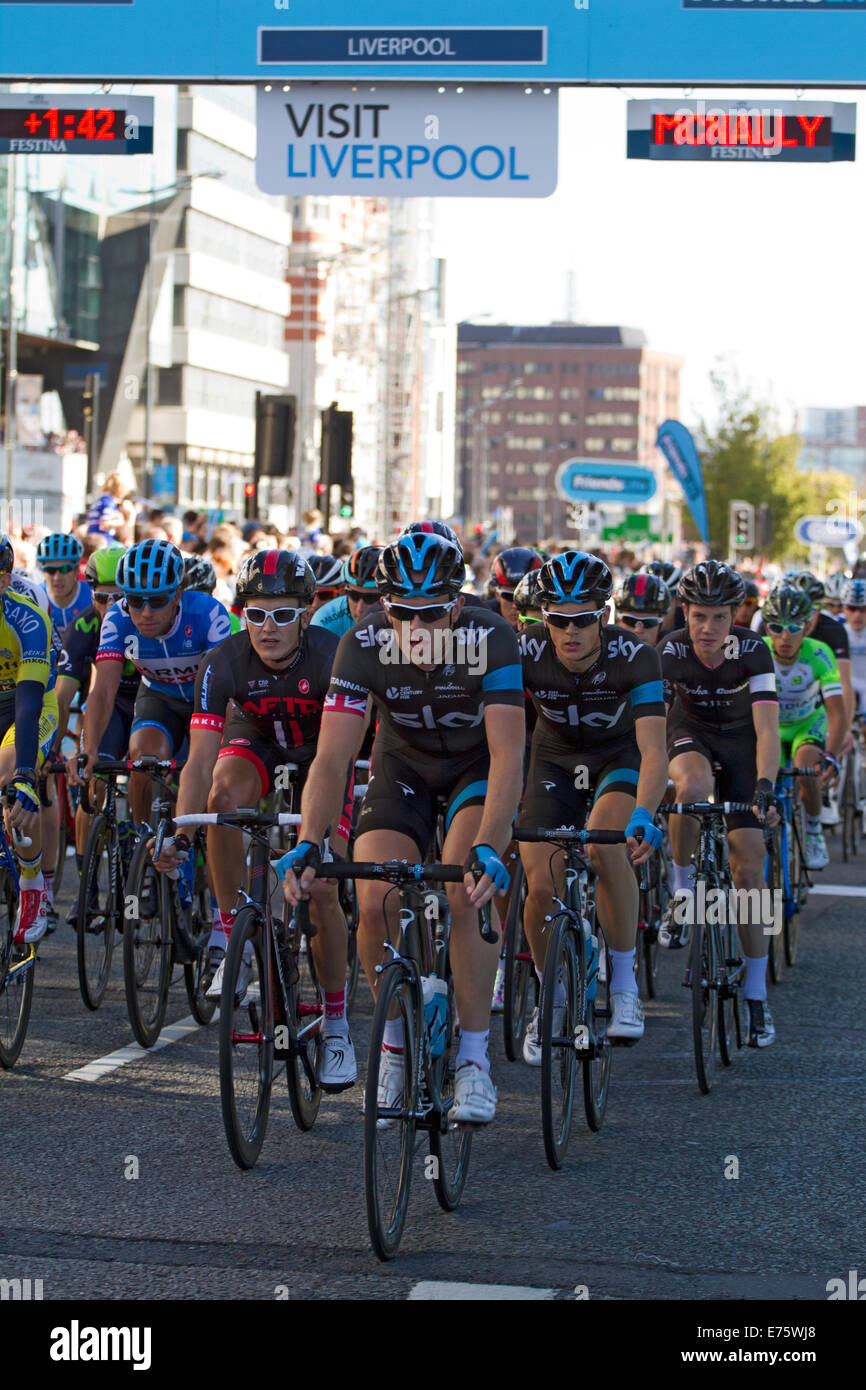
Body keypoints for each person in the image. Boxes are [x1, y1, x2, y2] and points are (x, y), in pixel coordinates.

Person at [280, 529, 526, 1125]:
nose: (417, 629)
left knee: (466, 893)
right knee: (373, 897)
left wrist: (491, 846)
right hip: (404, 766)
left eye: (433, 614)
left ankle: (473, 1061)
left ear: (458, 606)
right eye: (404, 614)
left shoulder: (491, 635)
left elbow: (508, 757)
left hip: (474, 768)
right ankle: (393, 1047)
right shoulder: (361, 642)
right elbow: (333, 758)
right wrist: (311, 839)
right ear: (384, 606)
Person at [152, 550, 357, 1089]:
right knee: (222, 797)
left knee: (325, 887)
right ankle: (231, 937)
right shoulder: (221, 662)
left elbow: (340, 757)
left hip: (323, 755)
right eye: (257, 613)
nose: (268, 628)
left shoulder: (333, 656)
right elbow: (198, 761)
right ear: (242, 613)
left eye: (283, 614)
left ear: (307, 614)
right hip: (257, 741)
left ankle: (336, 1024)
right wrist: (182, 830)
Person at [518, 552, 669, 1056]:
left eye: (584, 619)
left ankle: (624, 986)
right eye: (558, 620)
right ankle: (551, 996)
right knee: (540, 884)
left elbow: (654, 750)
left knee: (608, 849)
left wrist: (645, 814)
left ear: (604, 615)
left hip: (619, 759)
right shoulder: (524, 651)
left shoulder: (636, 657)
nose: (571, 632)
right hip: (553, 762)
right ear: (544, 618)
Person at [660, 561, 780, 1049]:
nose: (707, 629)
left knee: (750, 874)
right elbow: (650, 723)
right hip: (690, 735)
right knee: (690, 789)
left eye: (719, 618)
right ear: (684, 611)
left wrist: (766, 785)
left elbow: (768, 730)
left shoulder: (753, 651)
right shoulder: (670, 649)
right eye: (698, 616)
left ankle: (756, 993)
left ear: (737, 615)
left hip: (742, 746)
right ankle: (683, 888)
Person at [69, 539, 231, 829]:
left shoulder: (208, 613)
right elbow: (104, 690)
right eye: (134, 600)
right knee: (143, 761)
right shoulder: (117, 618)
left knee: (206, 773)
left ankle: (198, 839)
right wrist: (90, 749)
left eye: (157, 601)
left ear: (178, 593)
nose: (145, 612)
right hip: (159, 698)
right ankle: (141, 838)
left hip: (204, 702)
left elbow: (225, 691)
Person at [761, 584, 845, 871]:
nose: (785, 636)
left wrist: (832, 754)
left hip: (806, 724)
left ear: (808, 626)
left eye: (794, 627)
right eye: (776, 627)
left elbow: (837, 710)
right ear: (766, 627)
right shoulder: (757, 651)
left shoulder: (819, 653)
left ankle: (812, 830)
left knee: (806, 763)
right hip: (767, 726)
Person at [0, 539, 59, 943]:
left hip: (27, 706)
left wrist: (23, 774)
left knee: (8, 774)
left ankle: (32, 883)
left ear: (5, 579)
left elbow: (27, 706)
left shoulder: (28, 620)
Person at [310, 546, 383, 638]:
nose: (360, 608)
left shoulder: (403, 620)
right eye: (354, 595)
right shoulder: (325, 618)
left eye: (371, 598)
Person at [36, 533, 92, 630]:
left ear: (77, 570)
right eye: (51, 570)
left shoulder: (93, 596)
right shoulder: (35, 598)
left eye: (64, 569)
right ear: (43, 571)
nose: (57, 578)